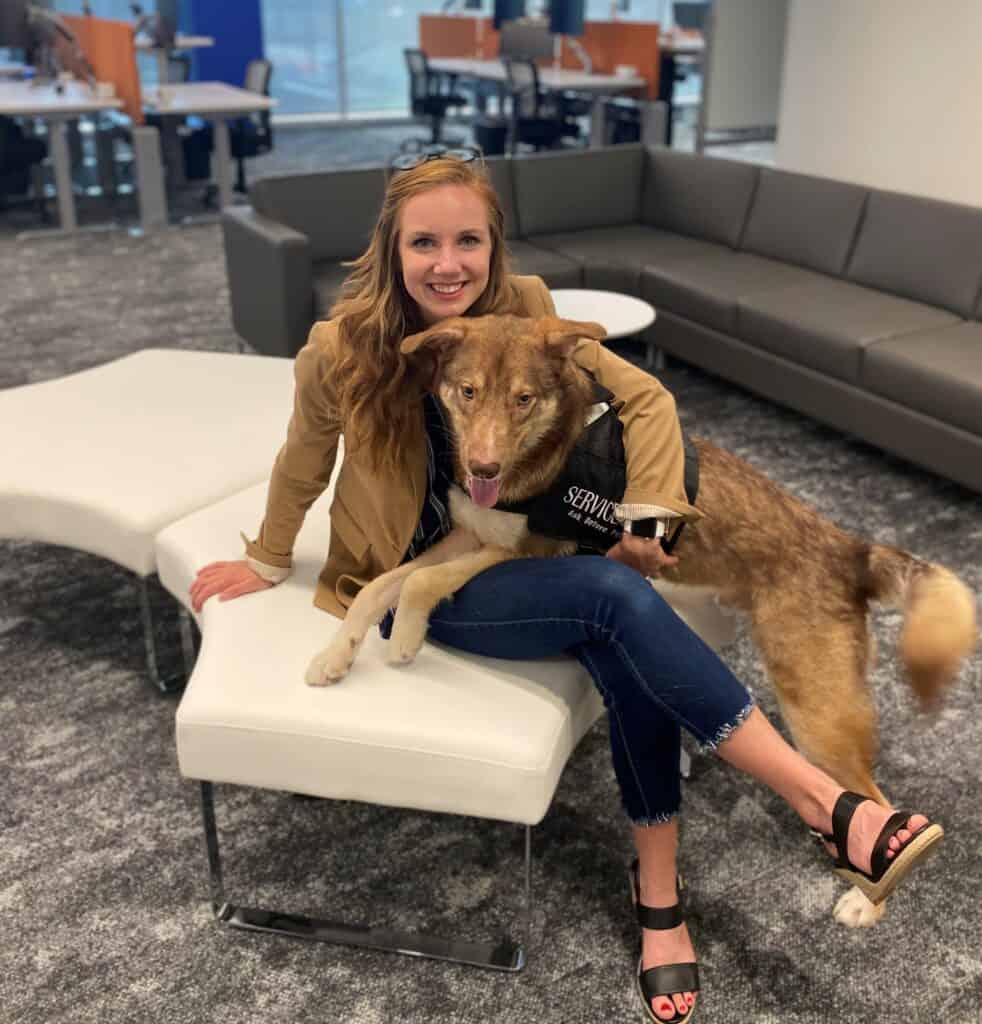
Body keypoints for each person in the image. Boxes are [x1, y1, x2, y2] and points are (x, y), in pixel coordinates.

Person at [190, 149, 942, 1024]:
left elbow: (647, 402)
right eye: (424, 242)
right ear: (392, 249)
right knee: (613, 599)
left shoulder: (531, 315)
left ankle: (659, 893)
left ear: (493, 246)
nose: (448, 263)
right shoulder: (343, 348)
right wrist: (272, 557)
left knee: (619, 631)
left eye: (468, 239)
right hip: (423, 578)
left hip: (527, 553)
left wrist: (653, 514)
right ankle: (822, 804)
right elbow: (303, 461)